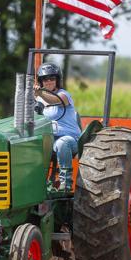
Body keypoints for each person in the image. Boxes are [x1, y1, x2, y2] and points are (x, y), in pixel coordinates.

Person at [34, 62, 81, 190]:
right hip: (49, 139)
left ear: (57, 80)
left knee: (62, 143)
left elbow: (56, 101)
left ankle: (65, 182)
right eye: (45, 79)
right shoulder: (37, 100)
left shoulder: (64, 95)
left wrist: (41, 94)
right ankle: (35, 183)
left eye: (52, 78)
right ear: (40, 81)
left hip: (71, 139)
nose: (48, 81)